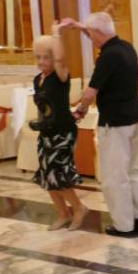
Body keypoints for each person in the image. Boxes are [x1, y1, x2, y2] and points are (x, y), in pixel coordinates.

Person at [62, 13, 138, 237]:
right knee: (133, 169)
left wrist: (80, 110)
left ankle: (124, 225)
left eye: (90, 34)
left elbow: (90, 92)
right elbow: (97, 32)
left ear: (98, 32)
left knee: (114, 176)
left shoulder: (108, 57)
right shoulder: (127, 48)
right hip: (134, 118)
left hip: (115, 123)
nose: (90, 38)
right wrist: (79, 26)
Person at [31, 23, 88, 231]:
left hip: (63, 132)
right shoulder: (38, 79)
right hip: (46, 131)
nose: (41, 62)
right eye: (38, 57)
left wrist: (56, 34)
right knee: (46, 174)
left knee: (58, 174)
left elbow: (61, 60)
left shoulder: (60, 75)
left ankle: (79, 208)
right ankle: (63, 214)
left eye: (46, 57)